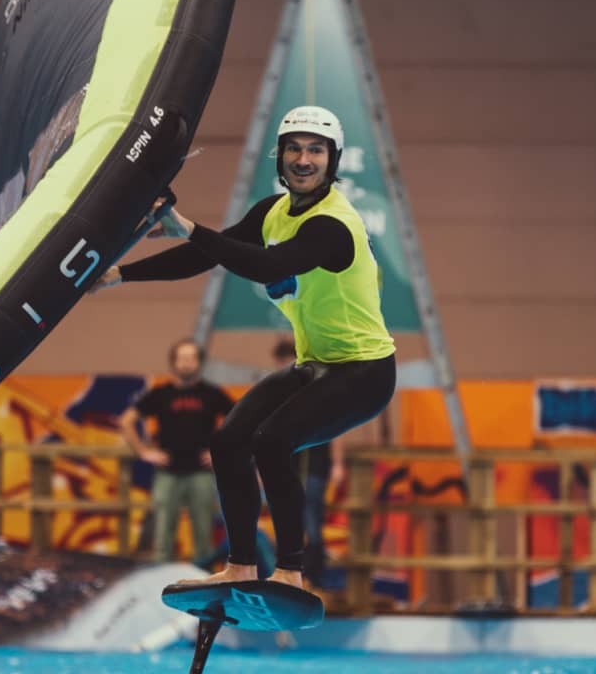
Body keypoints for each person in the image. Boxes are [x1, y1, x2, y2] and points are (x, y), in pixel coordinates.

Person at [93, 105, 396, 590]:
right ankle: (241, 566)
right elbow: (201, 257)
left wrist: (190, 226)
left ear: (332, 161)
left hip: (365, 372)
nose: (303, 159)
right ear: (280, 156)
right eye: (294, 149)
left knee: (273, 441)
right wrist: (118, 275)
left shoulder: (332, 225)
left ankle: (292, 573)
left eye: (316, 151)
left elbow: (265, 265)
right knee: (228, 441)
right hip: (316, 364)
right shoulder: (272, 212)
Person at [119, 338, 234, 563]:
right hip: (167, 473)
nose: (186, 363)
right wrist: (143, 452)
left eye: (191, 358)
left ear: (199, 362)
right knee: (162, 540)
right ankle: (162, 588)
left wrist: (222, 452)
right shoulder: (161, 394)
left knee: (203, 539)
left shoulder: (212, 394)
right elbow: (126, 421)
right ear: (174, 362)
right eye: (182, 358)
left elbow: (240, 421)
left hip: (201, 474)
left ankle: (202, 586)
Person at [272, 336, 346, 589]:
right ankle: (289, 574)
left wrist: (337, 464)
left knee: (312, 520)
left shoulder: (319, 389)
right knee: (288, 518)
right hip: (287, 464)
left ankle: (314, 576)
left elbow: (335, 428)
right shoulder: (276, 393)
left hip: (314, 465)